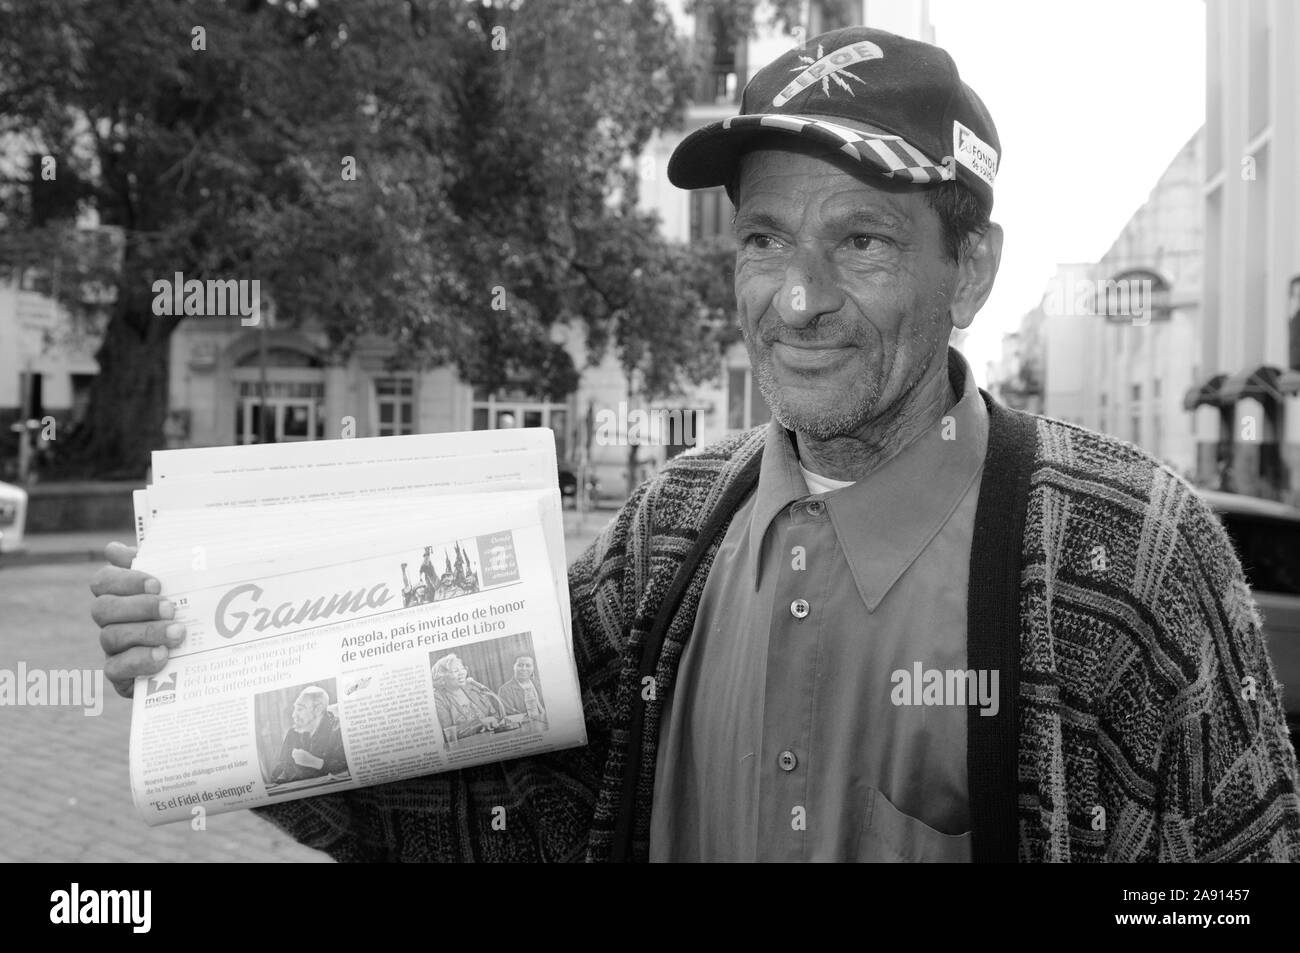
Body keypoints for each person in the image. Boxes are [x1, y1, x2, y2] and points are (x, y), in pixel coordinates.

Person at [91, 26, 1299, 862]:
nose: (795, 298)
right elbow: (511, 803)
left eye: (862, 242)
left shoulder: (1126, 553)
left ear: (969, 268)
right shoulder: (672, 525)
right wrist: (212, 666)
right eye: (764, 238)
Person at [269, 686, 347, 783]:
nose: (294, 715)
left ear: (318, 709)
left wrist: (316, 762)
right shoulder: (293, 732)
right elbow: (281, 766)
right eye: (295, 708)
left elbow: (347, 765)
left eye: (300, 709)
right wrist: (275, 782)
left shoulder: (339, 729)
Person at [430, 654, 507, 743]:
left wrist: (494, 721)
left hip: (493, 740)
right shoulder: (438, 698)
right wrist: (480, 724)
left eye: (462, 669)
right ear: (442, 678)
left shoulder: (472, 688)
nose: (462, 673)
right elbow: (448, 732)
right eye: (455, 671)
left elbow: (495, 715)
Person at [497, 656, 547, 729]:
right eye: (520, 665)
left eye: (528, 665)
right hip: (524, 728)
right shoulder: (505, 690)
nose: (524, 669)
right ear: (514, 667)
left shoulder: (539, 684)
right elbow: (509, 716)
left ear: (533, 668)